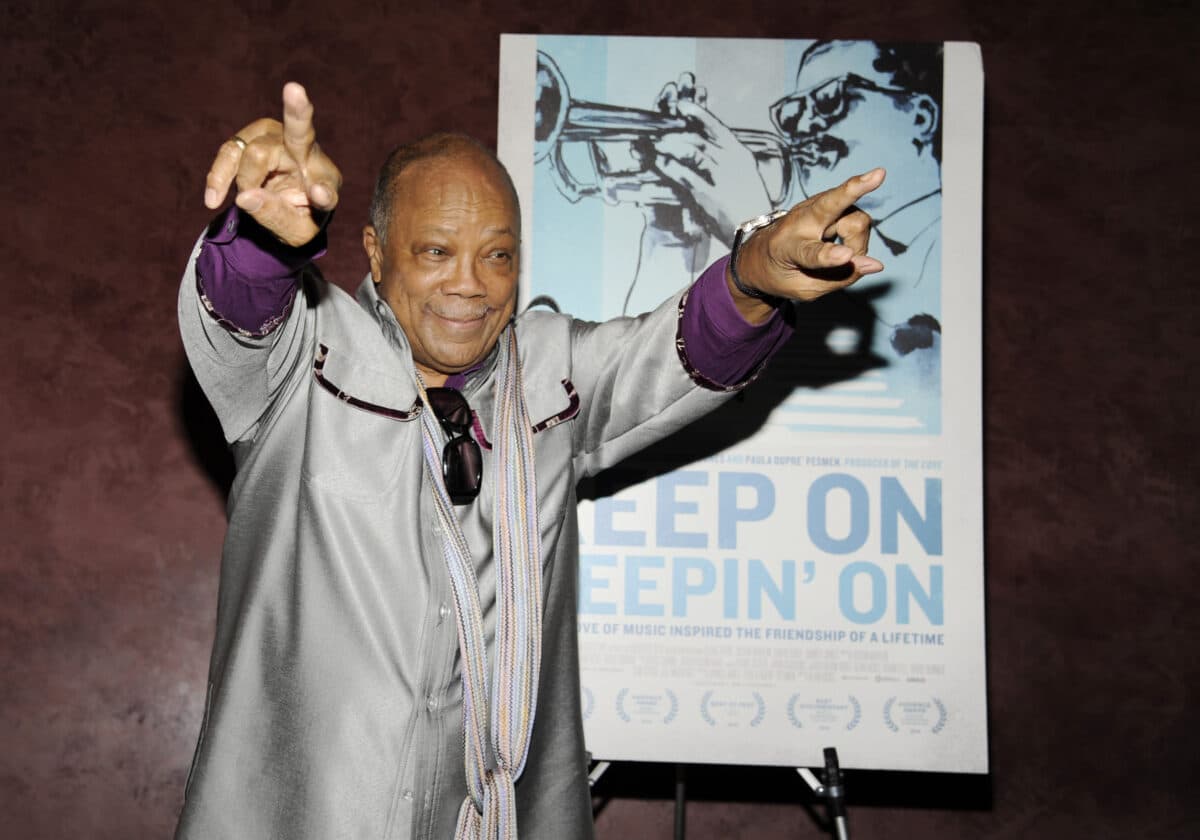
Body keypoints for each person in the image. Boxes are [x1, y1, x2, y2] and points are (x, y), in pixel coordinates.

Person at [176, 82, 885, 840]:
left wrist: (752, 274)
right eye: (436, 251)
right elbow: (242, 307)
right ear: (378, 254)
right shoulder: (298, 362)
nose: (470, 285)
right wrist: (264, 236)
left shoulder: (552, 375)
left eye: (498, 256)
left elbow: (680, 350)